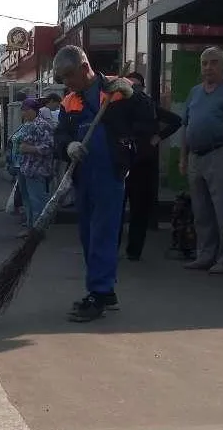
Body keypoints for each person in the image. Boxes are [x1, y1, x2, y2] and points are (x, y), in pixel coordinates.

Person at [53, 45, 156, 322]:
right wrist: (68, 146)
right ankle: (105, 290)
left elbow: (148, 119)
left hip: (110, 172)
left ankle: (97, 294)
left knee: (103, 234)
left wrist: (135, 96)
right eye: (62, 79)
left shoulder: (117, 90)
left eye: (68, 77)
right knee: (87, 234)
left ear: (84, 68)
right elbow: (60, 134)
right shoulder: (70, 101)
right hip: (83, 173)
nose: (66, 84)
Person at [179, 46, 223, 274]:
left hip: (221, 153)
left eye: (213, 62)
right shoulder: (195, 92)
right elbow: (185, 126)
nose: (208, 67)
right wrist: (183, 158)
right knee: (201, 210)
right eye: (205, 63)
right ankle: (205, 255)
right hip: (195, 157)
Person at [122, 71, 182, 260]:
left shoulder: (150, 107)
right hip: (122, 163)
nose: (133, 90)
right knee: (115, 208)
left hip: (142, 165)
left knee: (139, 210)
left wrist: (158, 138)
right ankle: (111, 248)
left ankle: (134, 251)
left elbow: (176, 121)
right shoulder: (118, 107)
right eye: (130, 85)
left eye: (137, 86)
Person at [17, 102, 57, 237]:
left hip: (37, 169)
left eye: (24, 110)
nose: (22, 113)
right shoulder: (27, 125)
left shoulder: (43, 125)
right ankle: (30, 227)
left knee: (37, 200)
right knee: (27, 200)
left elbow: (49, 147)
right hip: (25, 167)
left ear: (32, 110)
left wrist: (29, 149)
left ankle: (38, 230)